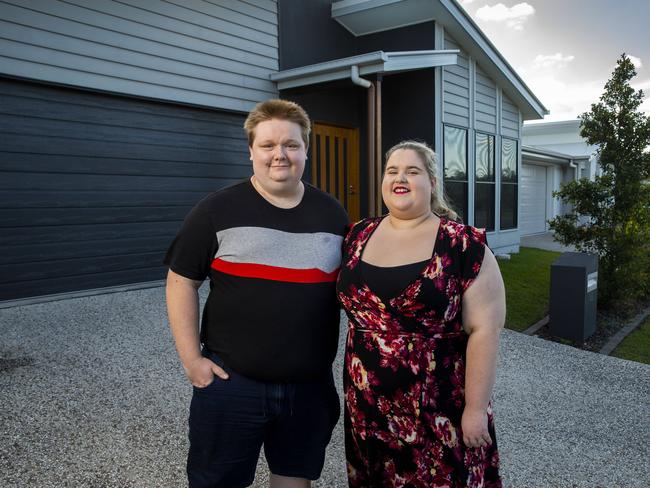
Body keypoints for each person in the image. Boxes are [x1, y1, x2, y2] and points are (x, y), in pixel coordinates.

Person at [164, 99, 348, 488]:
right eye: (268, 145)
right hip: (232, 385)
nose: (279, 155)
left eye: (291, 145)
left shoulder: (332, 215)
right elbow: (181, 280)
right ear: (251, 151)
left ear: (305, 150)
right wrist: (191, 360)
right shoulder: (216, 211)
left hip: (309, 388)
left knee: (294, 481)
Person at [337, 140, 505, 487]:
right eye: (392, 171)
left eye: (412, 171)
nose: (401, 178)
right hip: (367, 409)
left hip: (441, 408)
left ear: (432, 183)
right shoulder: (357, 235)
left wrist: (475, 409)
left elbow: (485, 330)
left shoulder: (462, 244)